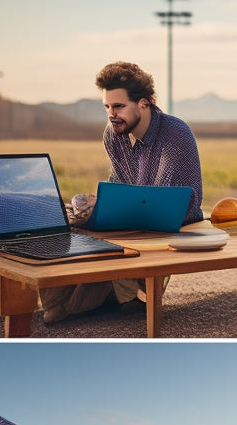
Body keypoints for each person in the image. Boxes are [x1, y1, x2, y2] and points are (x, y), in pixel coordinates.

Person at [41, 61, 203, 324]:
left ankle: (123, 298)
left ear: (144, 103)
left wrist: (111, 206)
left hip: (173, 227)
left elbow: (164, 203)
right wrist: (94, 208)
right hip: (129, 223)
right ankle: (97, 298)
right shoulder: (113, 134)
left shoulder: (175, 134)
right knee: (63, 226)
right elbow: (118, 184)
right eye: (106, 106)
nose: (111, 114)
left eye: (118, 106)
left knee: (67, 309)